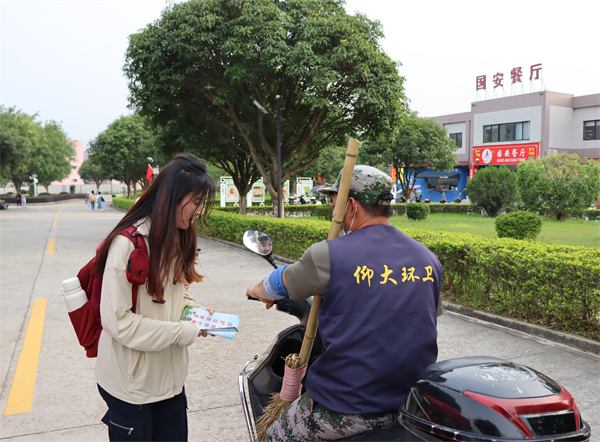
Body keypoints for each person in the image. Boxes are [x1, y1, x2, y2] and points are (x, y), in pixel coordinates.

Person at [247, 165, 443, 441]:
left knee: (273, 436)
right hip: (411, 404)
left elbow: (279, 282)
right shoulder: (427, 259)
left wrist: (256, 290)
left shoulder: (330, 254)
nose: (333, 211)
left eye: (333, 203)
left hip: (346, 406)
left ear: (350, 205)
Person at [94, 153, 216, 441]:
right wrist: (183, 331)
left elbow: (175, 292)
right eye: (196, 202)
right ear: (172, 197)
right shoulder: (128, 245)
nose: (200, 211)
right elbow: (118, 322)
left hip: (170, 383)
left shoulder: (175, 237)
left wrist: (196, 313)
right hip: (132, 388)